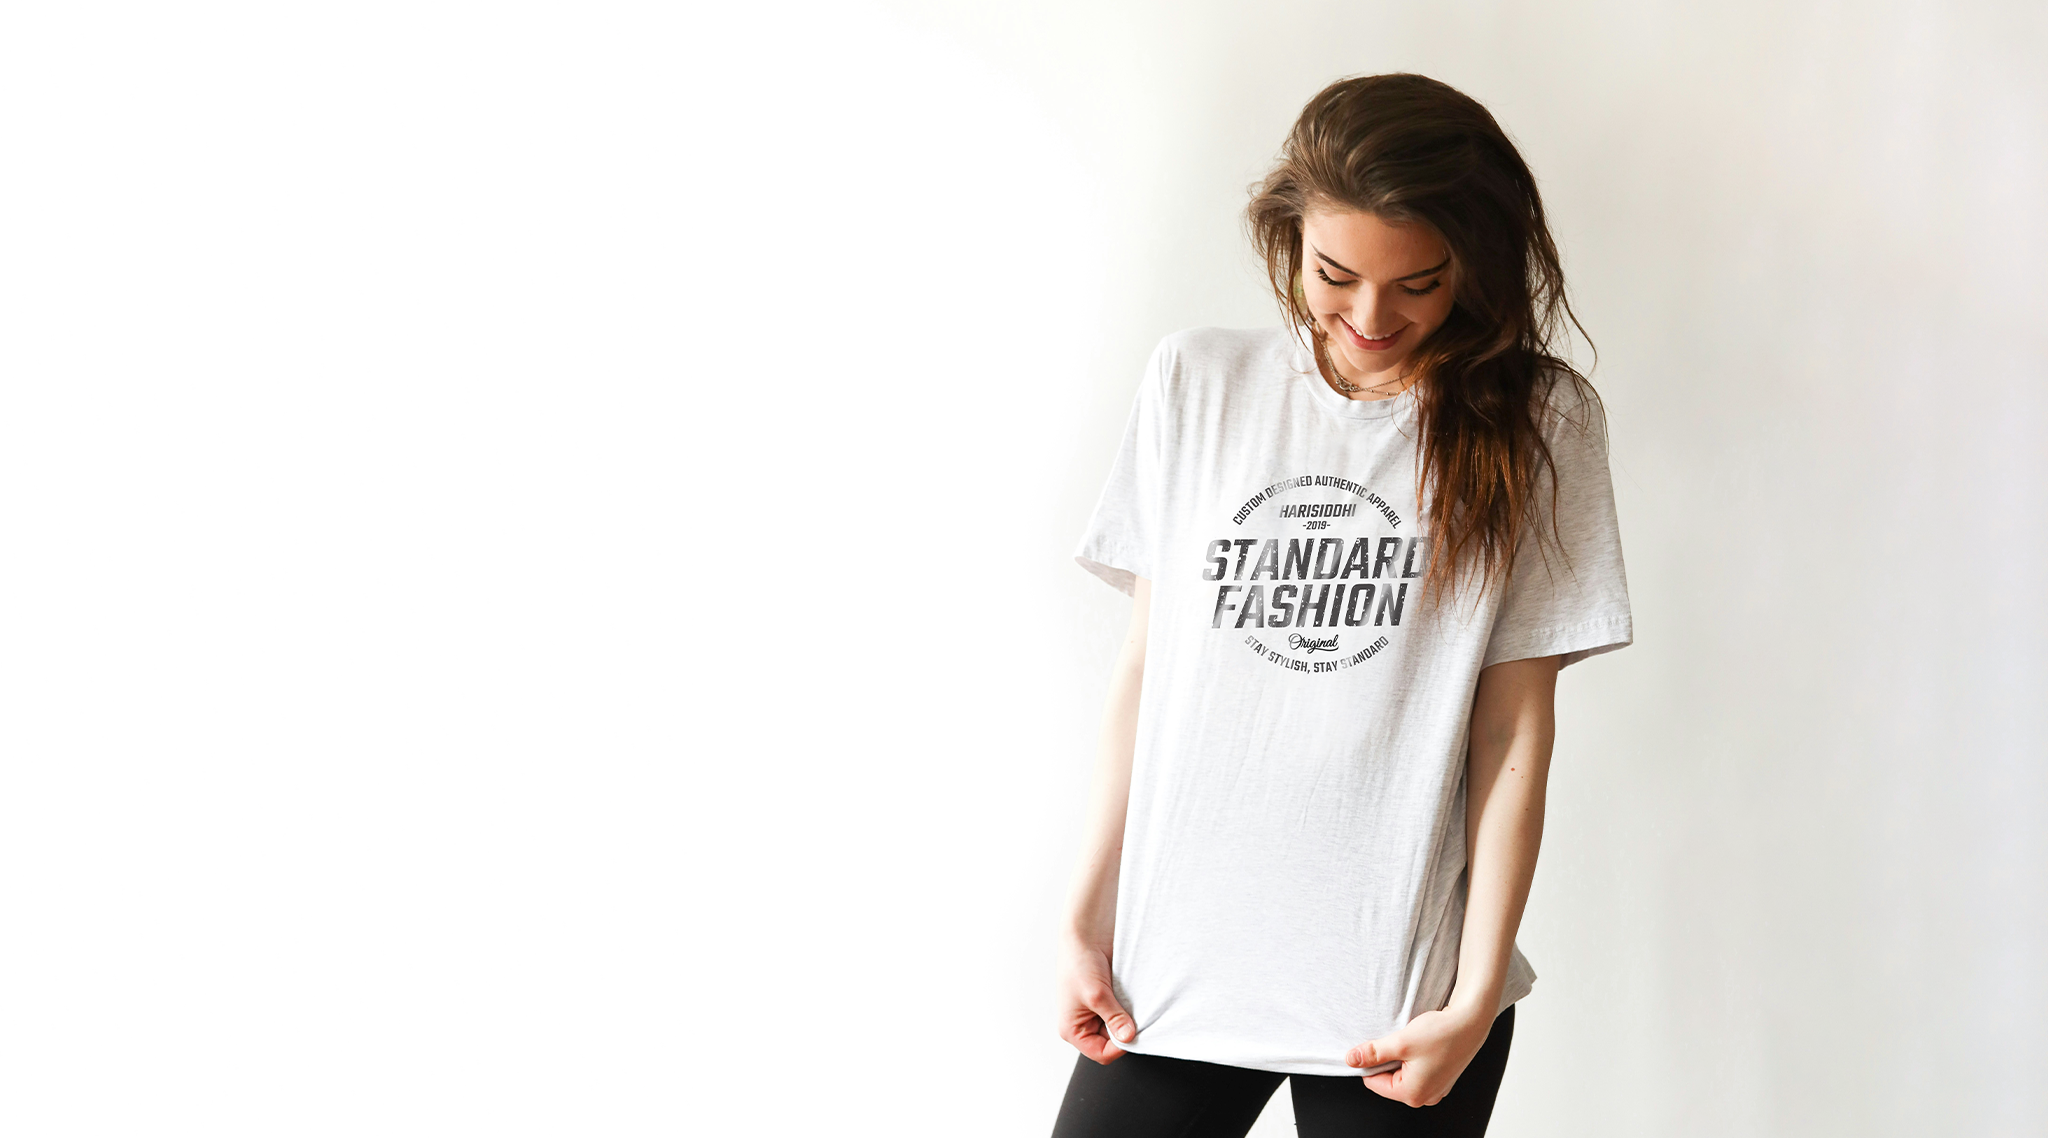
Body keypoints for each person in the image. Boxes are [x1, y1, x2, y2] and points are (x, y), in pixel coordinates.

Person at [1049, 73, 1633, 1138]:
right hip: (1168, 974)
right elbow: (1147, 671)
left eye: (1419, 282)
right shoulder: (1197, 382)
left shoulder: (1538, 419)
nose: (1370, 317)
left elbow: (1513, 725)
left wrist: (1472, 996)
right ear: (1289, 239)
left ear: (1476, 263)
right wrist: (1084, 918)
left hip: (1402, 996)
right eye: (1334, 275)